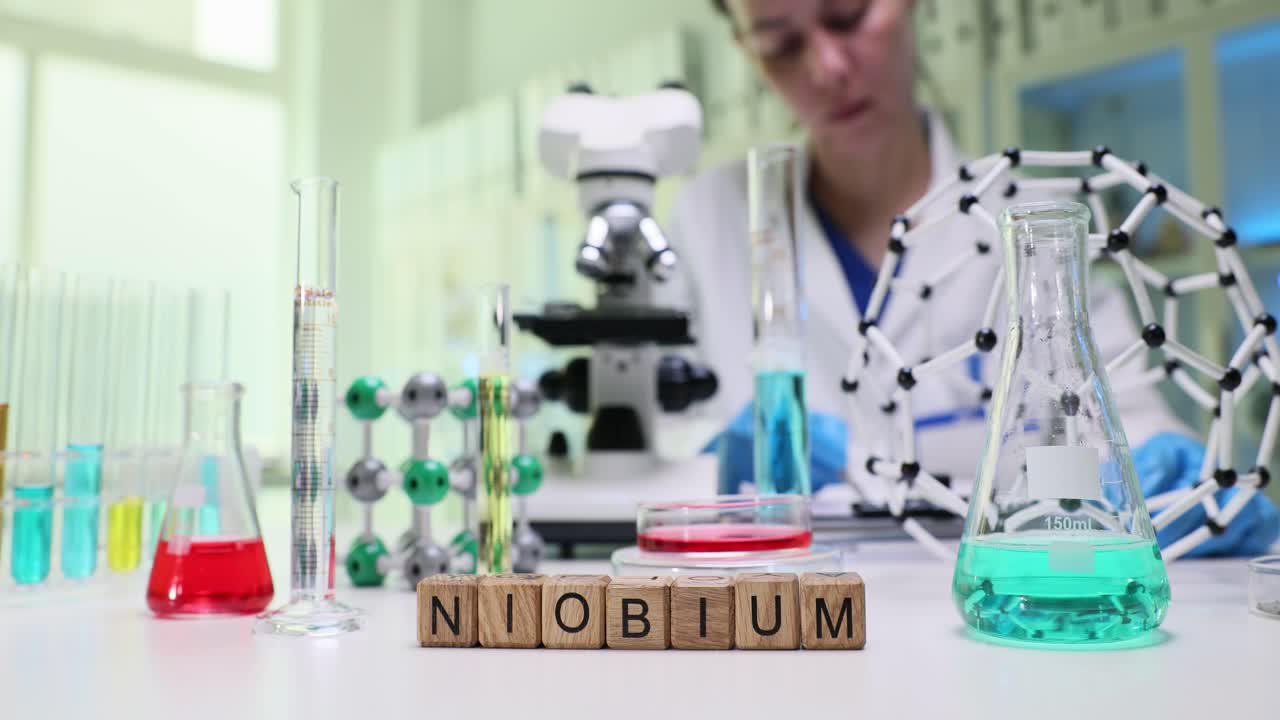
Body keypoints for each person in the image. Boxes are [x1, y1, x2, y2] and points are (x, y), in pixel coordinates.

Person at [664, 0, 1277, 556]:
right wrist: (704, 466)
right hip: (788, 610)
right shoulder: (712, 219)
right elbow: (650, 460)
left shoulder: (1035, 216)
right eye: (779, 42)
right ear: (747, 49)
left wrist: (1167, 480)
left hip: (999, 620)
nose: (826, 68)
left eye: (848, 16)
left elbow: (1133, 429)